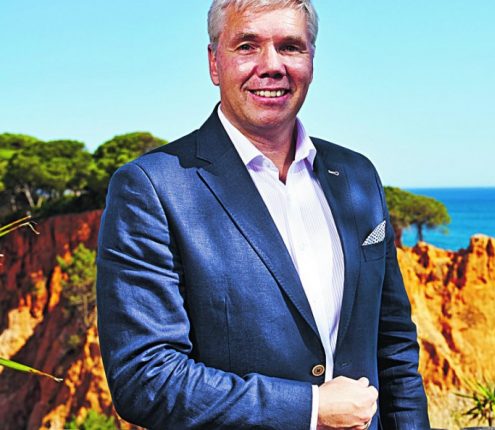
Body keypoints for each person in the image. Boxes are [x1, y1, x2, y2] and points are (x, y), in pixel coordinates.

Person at [95, 0, 430, 428]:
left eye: (290, 46)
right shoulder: (152, 187)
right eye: (247, 46)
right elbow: (145, 379)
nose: (271, 66)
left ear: (311, 60)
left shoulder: (357, 175)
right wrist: (310, 409)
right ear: (214, 63)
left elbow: (394, 346)